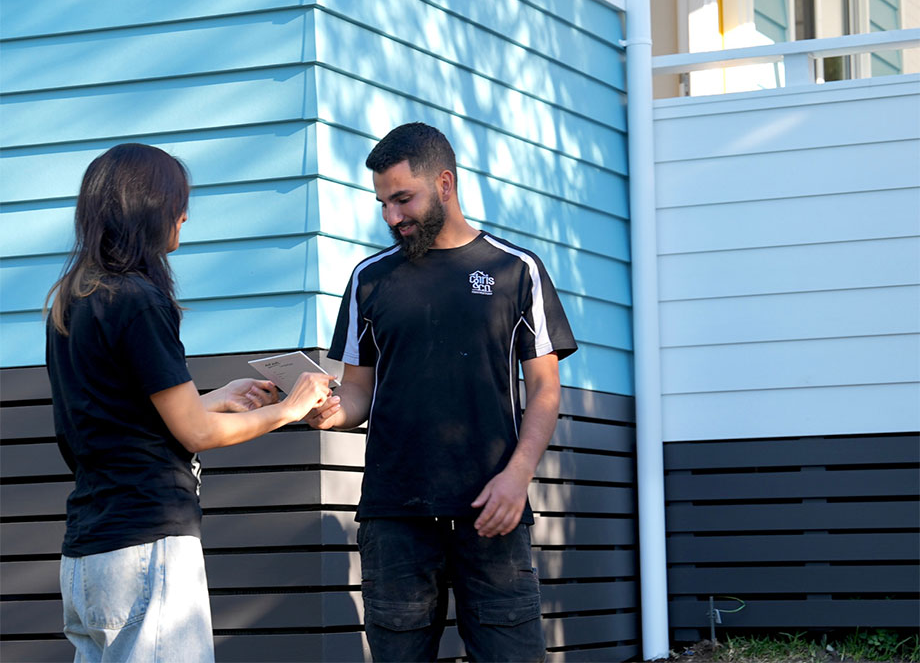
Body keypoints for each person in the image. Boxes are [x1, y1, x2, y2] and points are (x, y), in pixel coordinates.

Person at [44, 143, 334, 663]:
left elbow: (118, 412)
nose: (185, 214)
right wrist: (289, 408)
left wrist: (216, 398)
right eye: (178, 202)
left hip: (85, 557)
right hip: (145, 545)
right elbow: (195, 435)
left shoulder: (73, 297)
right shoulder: (139, 300)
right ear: (151, 209)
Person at [306, 122, 576, 662]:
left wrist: (518, 477)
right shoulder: (369, 279)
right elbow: (358, 394)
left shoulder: (514, 269)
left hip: (492, 510)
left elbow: (545, 389)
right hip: (395, 513)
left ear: (445, 184)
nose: (392, 217)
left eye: (403, 199)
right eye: (383, 203)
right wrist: (327, 413)